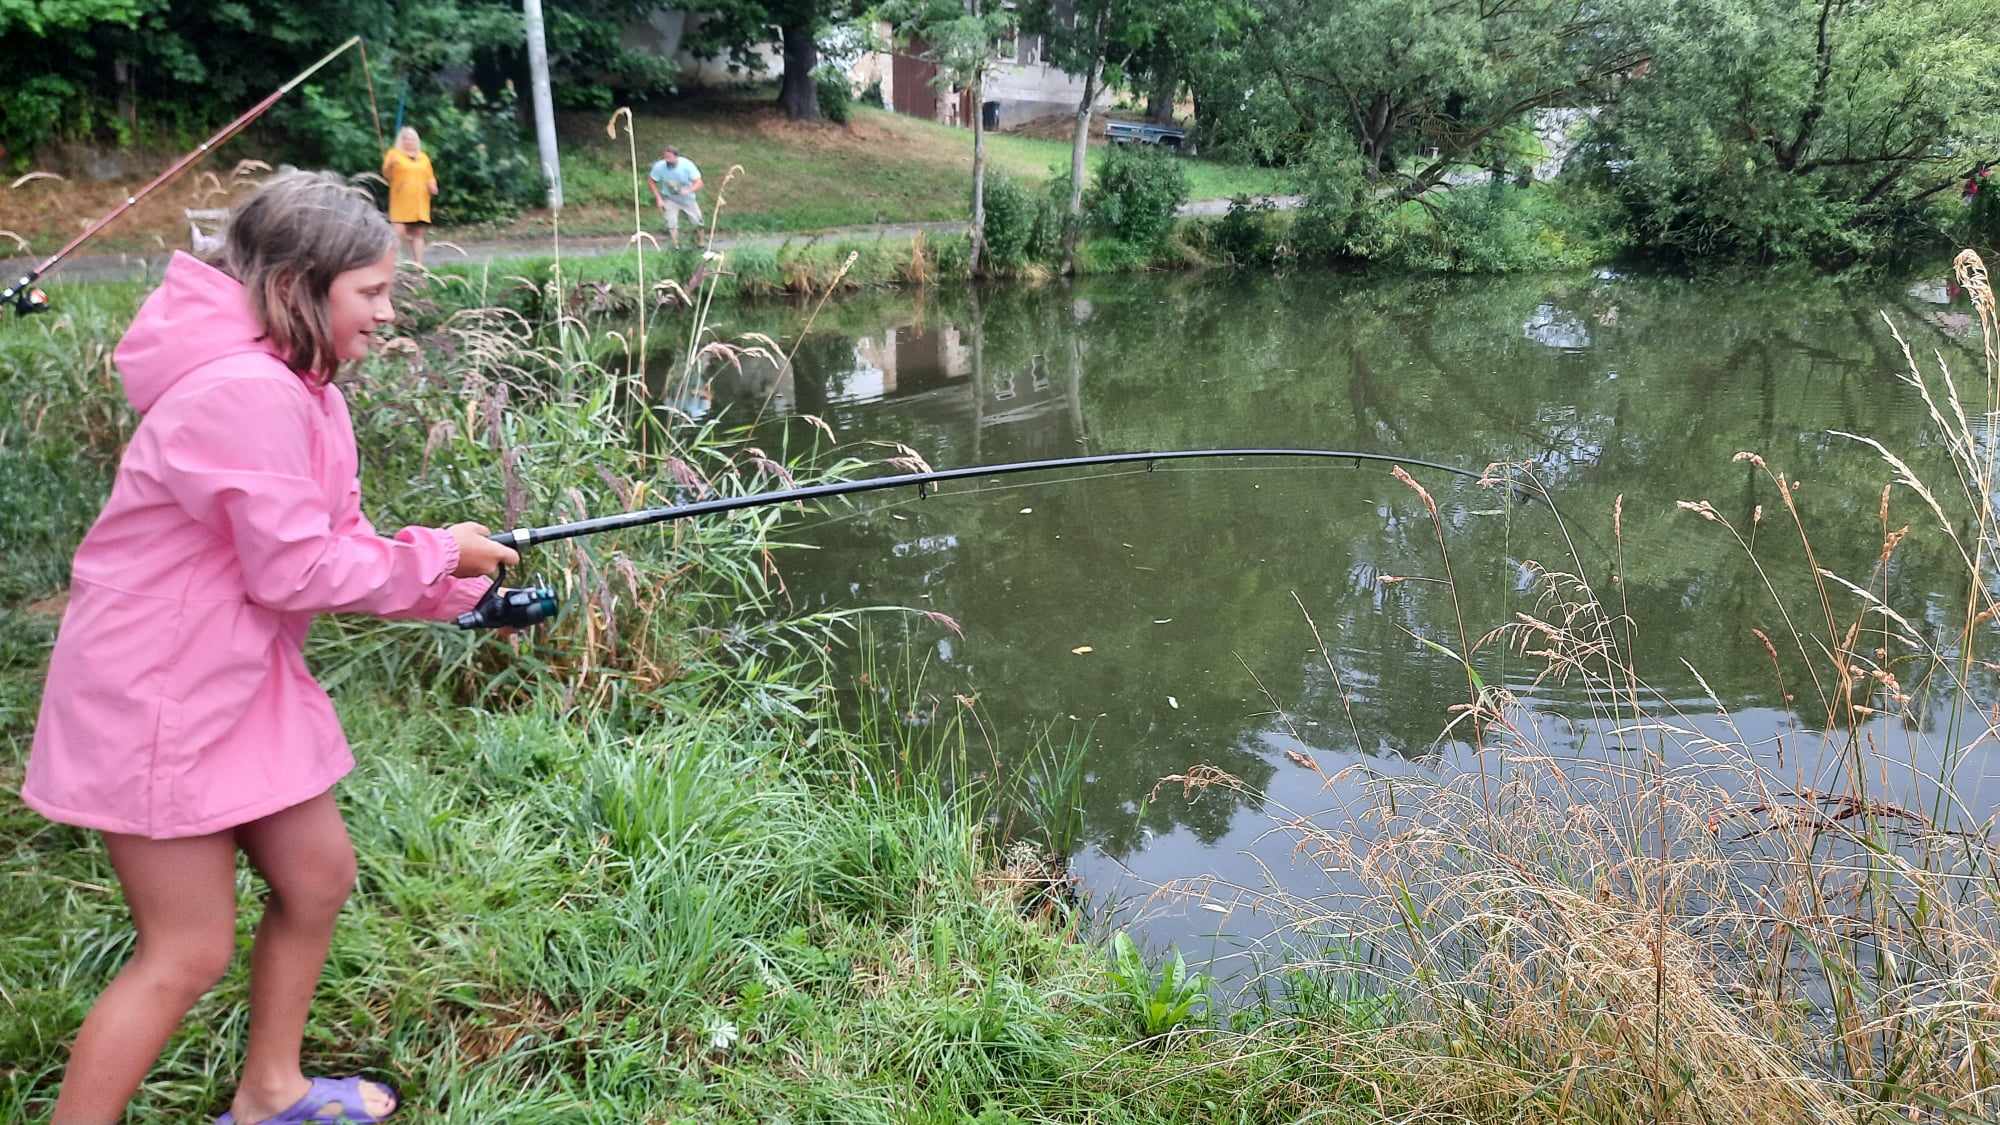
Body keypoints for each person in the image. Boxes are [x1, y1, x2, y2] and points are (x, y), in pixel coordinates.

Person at [21, 170, 516, 1124]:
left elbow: (331, 546)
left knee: (317, 875)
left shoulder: (298, 383)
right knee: (187, 949)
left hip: (237, 672)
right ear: (298, 285)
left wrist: (457, 587)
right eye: (371, 291)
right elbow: (295, 570)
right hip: (158, 693)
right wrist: (433, 552)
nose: (387, 312)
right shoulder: (245, 391)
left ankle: (269, 1093)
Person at [380, 127, 438, 268]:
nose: (409, 141)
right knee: (397, 233)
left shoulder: (423, 158)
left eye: (412, 138)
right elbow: (386, 174)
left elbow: (430, 176)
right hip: (401, 201)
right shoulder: (394, 154)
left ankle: (419, 267)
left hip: (419, 202)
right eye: (406, 138)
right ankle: (393, 265)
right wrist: (389, 165)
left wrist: (433, 186)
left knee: (418, 234)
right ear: (401, 140)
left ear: (416, 140)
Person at [647, 144, 705, 249]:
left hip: (688, 199)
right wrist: (658, 198)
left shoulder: (687, 165)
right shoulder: (659, 167)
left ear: (676, 156)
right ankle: (675, 246)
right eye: (665, 157)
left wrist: (689, 190)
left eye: (669, 157)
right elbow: (651, 181)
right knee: (671, 223)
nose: (667, 160)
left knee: (698, 222)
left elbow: (699, 183)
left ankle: (701, 244)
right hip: (670, 199)